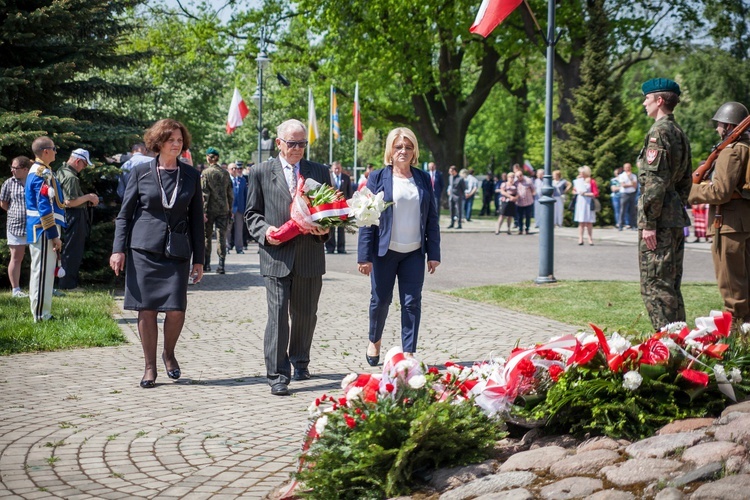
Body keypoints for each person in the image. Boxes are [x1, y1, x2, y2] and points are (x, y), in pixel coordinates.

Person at [110, 119, 205, 388]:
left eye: (179, 140)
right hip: (143, 249)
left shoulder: (191, 175)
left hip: (176, 250)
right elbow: (124, 215)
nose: (176, 144)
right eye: (170, 139)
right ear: (158, 142)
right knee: (146, 309)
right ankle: (149, 367)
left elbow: (197, 221)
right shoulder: (140, 172)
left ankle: (169, 353)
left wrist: (199, 259)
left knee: (176, 309)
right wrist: (118, 249)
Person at [245, 119, 331, 396]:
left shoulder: (319, 172)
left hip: (309, 254)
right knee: (278, 315)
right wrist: (265, 231)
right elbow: (252, 214)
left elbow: (330, 211)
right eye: (292, 143)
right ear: (279, 143)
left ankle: (300, 360)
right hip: (276, 255)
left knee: (306, 314)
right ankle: (278, 375)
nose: (297, 149)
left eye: (302, 144)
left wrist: (325, 227)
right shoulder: (260, 172)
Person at [357, 127, 440, 364]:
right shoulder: (378, 178)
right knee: (380, 300)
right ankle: (374, 341)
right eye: (398, 147)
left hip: (414, 252)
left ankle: (409, 351)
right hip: (385, 251)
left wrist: (433, 252)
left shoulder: (423, 178)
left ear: (414, 151)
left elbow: (431, 217)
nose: (403, 151)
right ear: (390, 151)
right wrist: (364, 256)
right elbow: (367, 218)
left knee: (412, 302)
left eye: (408, 147)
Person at [636, 78, 692, 329]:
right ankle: (681, 343)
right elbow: (686, 181)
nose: (643, 103)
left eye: (647, 98)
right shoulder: (678, 131)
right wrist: (674, 208)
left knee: (655, 285)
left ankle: (667, 348)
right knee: (670, 284)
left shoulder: (659, 132)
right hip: (673, 216)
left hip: (658, 221)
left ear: (659, 101)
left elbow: (655, 182)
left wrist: (649, 222)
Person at [689, 101, 750, 321]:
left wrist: (691, 191)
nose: (717, 129)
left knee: (732, 287)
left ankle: (738, 338)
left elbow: (721, 192)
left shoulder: (731, 151)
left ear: (728, 126)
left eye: (719, 124)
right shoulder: (747, 148)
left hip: (727, 225)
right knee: (744, 282)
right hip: (743, 223)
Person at [25, 137, 66, 322]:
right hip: (43, 229)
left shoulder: (45, 171)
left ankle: (42, 312)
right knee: (42, 273)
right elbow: (44, 207)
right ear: (46, 151)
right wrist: (53, 235)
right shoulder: (41, 173)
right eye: (54, 148)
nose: (56, 152)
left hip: (44, 228)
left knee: (44, 271)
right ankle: (41, 316)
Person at [56, 149, 100, 290]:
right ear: (78, 161)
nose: (84, 168)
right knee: (72, 250)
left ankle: (65, 281)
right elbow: (70, 202)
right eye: (84, 164)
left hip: (66, 216)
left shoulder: (61, 170)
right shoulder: (71, 177)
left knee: (69, 249)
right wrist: (89, 197)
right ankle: (68, 284)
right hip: (73, 215)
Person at [1, 156, 31, 297]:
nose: (12, 170)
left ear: (25, 169)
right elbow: (3, 203)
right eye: (12, 167)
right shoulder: (9, 183)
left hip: (34, 225)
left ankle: (38, 286)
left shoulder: (34, 181)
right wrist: (15, 213)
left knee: (38, 258)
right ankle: (16, 290)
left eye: (15, 168)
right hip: (15, 225)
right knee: (16, 257)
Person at [201, 147, 233, 274]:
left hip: (209, 210)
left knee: (206, 237)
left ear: (208, 158)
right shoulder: (225, 173)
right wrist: (230, 208)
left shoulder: (206, 173)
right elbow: (230, 193)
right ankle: (221, 265)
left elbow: (205, 194)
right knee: (221, 237)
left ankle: (206, 264)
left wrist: (203, 211)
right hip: (223, 209)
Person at [325, 161, 353, 254]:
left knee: (341, 228)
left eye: (338, 168)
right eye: (335, 168)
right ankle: (330, 248)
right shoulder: (328, 177)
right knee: (331, 227)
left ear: (341, 168)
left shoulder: (346, 178)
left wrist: (349, 204)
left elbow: (349, 192)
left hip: (342, 207)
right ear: (332, 168)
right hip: (331, 206)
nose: (337, 170)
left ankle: (341, 248)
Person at [572, 165, 598, 245]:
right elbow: (574, 191)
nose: (580, 174)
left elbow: (596, 193)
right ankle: (580, 238)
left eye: (582, 172)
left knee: (589, 222)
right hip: (580, 202)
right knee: (581, 222)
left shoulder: (591, 181)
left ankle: (590, 238)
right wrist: (576, 191)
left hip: (589, 201)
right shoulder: (579, 181)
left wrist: (586, 193)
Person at [227, 162, 248, 254]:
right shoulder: (226, 180)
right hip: (229, 209)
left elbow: (245, 195)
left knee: (239, 230)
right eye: (232, 168)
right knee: (227, 229)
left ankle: (239, 248)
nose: (235, 170)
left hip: (240, 208)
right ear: (228, 170)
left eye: (236, 168)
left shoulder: (242, 180)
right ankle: (227, 247)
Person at [514, 169, 536, 234]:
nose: (519, 177)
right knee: (520, 217)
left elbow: (533, 189)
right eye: (517, 176)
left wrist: (531, 195)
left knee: (528, 216)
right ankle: (520, 229)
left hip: (528, 202)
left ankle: (527, 229)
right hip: (519, 202)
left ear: (522, 175)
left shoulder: (528, 181)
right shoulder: (515, 182)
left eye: (520, 176)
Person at [618, 163, 638, 231]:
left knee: (633, 210)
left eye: (629, 167)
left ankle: (633, 225)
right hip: (624, 194)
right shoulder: (621, 176)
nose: (628, 169)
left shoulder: (633, 176)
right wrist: (631, 184)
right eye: (626, 167)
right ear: (624, 168)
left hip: (632, 193)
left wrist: (630, 178)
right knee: (622, 210)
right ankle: (620, 224)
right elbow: (623, 185)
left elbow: (635, 186)